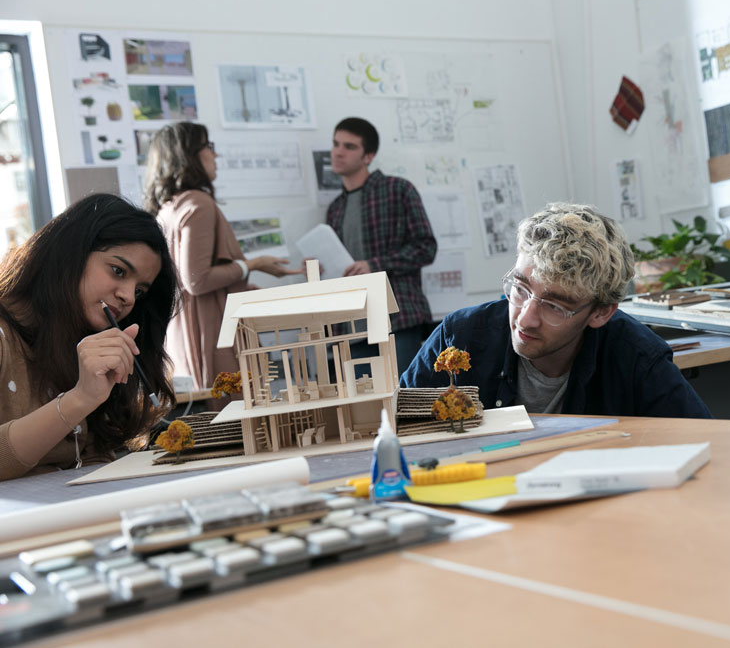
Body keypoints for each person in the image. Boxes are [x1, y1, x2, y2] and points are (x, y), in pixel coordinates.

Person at [401, 203, 711, 418]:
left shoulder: (636, 357)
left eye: (554, 306)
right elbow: (397, 428)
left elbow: (702, 446)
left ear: (600, 313)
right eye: (521, 289)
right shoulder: (460, 336)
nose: (525, 318)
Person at [0, 194, 179, 480]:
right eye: (118, 271)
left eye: (140, 291)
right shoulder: (5, 337)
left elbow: (92, 456)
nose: (128, 296)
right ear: (71, 252)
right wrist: (79, 399)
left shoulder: (81, 343)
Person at [144, 122, 303, 390]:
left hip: (182, 330)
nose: (215, 155)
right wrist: (253, 264)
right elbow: (197, 279)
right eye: (208, 147)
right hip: (212, 332)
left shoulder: (168, 208)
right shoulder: (199, 204)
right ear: (189, 154)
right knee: (234, 417)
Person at [326, 117, 437, 375]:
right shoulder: (335, 209)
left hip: (397, 319)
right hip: (352, 326)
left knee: (404, 400)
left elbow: (426, 247)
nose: (338, 152)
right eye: (335, 144)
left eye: (349, 146)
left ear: (368, 156)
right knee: (364, 410)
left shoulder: (398, 190)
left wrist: (374, 265)